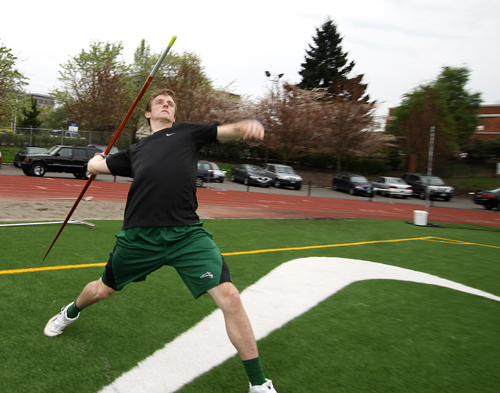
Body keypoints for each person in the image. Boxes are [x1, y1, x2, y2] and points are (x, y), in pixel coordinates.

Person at [43, 89, 277, 393]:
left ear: (174, 115)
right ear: (148, 114)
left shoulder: (186, 133)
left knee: (230, 297)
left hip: (187, 234)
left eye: (171, 104)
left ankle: (258, 383)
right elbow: (94, 168)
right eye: (160, 103)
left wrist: (246, 126)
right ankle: (70, 311)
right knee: (102, 290)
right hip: (140, 236)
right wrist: (97, 159)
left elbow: (227, 131)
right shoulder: (135, 152)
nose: (166, 106)